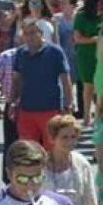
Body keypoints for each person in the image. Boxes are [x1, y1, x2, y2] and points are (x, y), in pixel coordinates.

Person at [11, 18, 73, 151]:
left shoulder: (55, 52)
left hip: (50, 110)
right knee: (29, 152)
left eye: (33, 33)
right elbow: (16, 80)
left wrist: (68, 104)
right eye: (26, 33)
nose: (30, 37)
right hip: (26, 110)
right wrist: (12, 102)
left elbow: (65, 80)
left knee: (51, 151)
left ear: (41, 33)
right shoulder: (20, 53)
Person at [73, 0, 103, 126]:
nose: (101, 6)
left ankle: (99, 115)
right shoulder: (81, 16)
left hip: (102, 54)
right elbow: (77, 38)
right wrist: (94, 39)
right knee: (88, 86)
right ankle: (86, 116)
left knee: (101, 86)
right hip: (86, 55)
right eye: (98, 3)